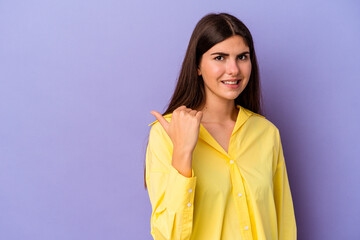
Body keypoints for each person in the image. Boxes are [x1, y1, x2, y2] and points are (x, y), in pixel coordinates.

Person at [145, 12, 297, 240]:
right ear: (197, 65)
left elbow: (284, 226)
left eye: (242, 57)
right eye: (219, 57)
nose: (234, 69)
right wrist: (183, 152)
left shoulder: (267, 133)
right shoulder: (165, 134)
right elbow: (168, 235)